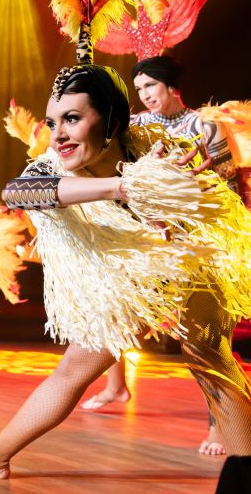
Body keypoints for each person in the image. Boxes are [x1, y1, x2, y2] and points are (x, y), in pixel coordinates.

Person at [0, 55, 251, 479]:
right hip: (128, 276)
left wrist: (191, 189)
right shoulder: (50, 166)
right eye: (52, 121)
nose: (58, 134)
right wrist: (121, 188)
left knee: (209, 355)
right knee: (76, 369)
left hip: (193, 258)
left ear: (112, 121)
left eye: (73, 118)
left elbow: (216, 194)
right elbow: (19, 191)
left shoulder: (152, 143)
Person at [80, 55, 235, 455]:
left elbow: (230, 187)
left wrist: (189, 189)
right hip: (151, 243)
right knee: (115, 317)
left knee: (203, 342)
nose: (145, 95)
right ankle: (117, 387)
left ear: (171, 87)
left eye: (151, 86)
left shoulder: (205, 126)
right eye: (140, 89)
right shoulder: (139, 127)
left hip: (200, 242)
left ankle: (219, 427)